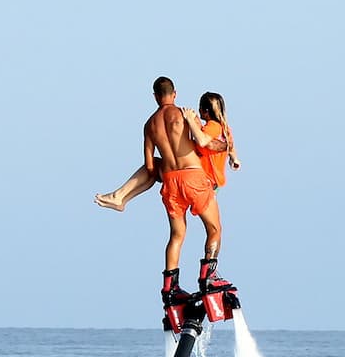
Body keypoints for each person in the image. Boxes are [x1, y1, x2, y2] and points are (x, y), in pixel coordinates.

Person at [140, 76, 233, 305]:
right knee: (214, 229)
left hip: (170, 182)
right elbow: (205, 143)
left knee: (176, 235)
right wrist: (227, 147)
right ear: (175, 93)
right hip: (193, 177)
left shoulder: (149, 124)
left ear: (154, 96)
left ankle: (170, 289)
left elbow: (150, 167)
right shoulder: (183, 114)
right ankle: (208, 278)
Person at [94, 90, 240, 212]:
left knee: (154, 166)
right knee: (153, 171)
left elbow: (203, 141)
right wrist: (234, 158)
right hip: (212, 183)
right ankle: (121, 199)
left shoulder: (211, 127)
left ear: (205, 111)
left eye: (200, 108)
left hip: (202, 180)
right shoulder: (226, 130)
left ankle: (120, 196)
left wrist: (190, 119)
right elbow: (229, 145)